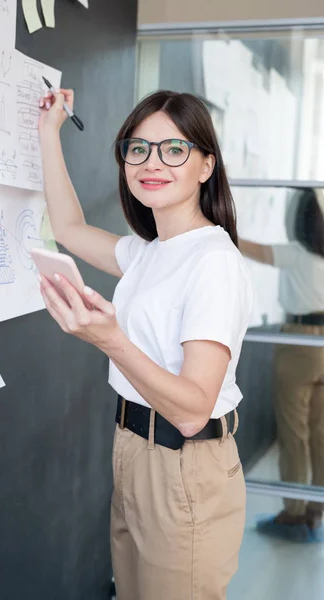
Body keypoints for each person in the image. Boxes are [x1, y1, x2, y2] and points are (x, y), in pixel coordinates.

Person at [38, 88, 253, 599]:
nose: (150, 162)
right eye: (138, 149)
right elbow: (68, 228)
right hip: (134, 450)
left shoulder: (212, 262)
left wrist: (110, 339)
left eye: (173, 150)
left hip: (185, 465)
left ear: (205, 166)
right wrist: (49, 133)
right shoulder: (150, 253)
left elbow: (193, 410)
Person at [239, 188, 324, 543]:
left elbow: (250, 249)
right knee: (320, 434)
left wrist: (217, 222)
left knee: (294, 434)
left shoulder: (296, 254)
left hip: (300, 341)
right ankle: (314, 510)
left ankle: (293, 515)